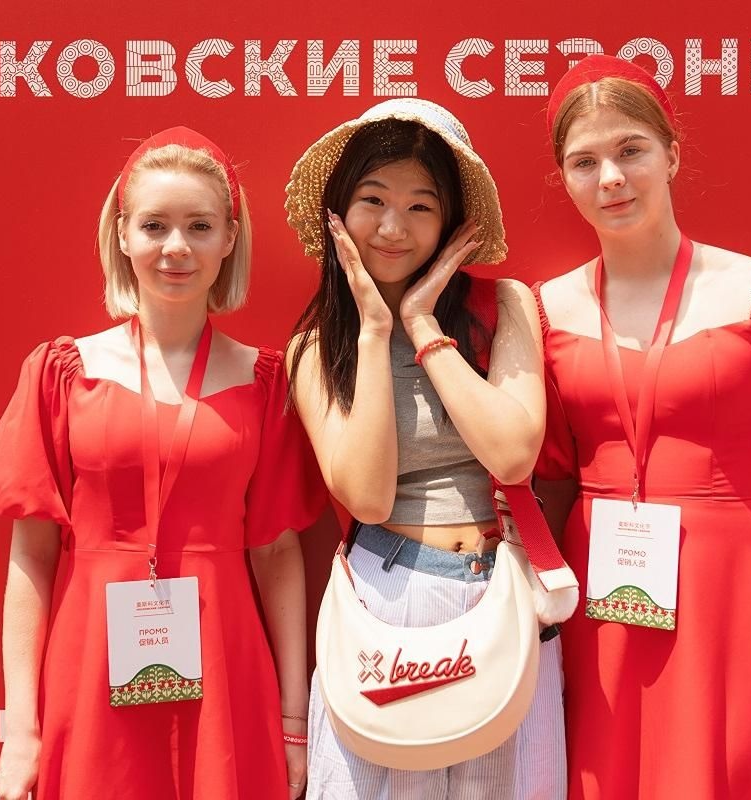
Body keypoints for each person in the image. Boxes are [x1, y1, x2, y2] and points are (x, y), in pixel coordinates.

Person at [531, 56, 751, 798]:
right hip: (602, 606)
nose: (611, 178)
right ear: (563, 177)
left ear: (672, 154)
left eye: (631, 150)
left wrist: (740, 562)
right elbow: (552, 480)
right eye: (584, 161)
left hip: (736, 604)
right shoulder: (541, 311)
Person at [0, 127, 324, 799]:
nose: (176, 247)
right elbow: (32, 554)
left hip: (226, 667)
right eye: (154, 225)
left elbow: (278, 554)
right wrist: (20, 727)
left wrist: (291, 718)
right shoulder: (62, 372)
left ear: (230, 238)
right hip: (90, 660)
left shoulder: (266, 382)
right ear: (123, 234)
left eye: (200, 226)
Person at [282, 98, 565, 798]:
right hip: (386, 598)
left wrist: (422, 325)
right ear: (339, 211)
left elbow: (512, 455)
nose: (392, 227)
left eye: (420, 206)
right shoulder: (318, 347)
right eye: (373, 200)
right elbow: (368, 497)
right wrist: (376, 332)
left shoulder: (504, 307)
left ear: (450, 222)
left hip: (504, 595)